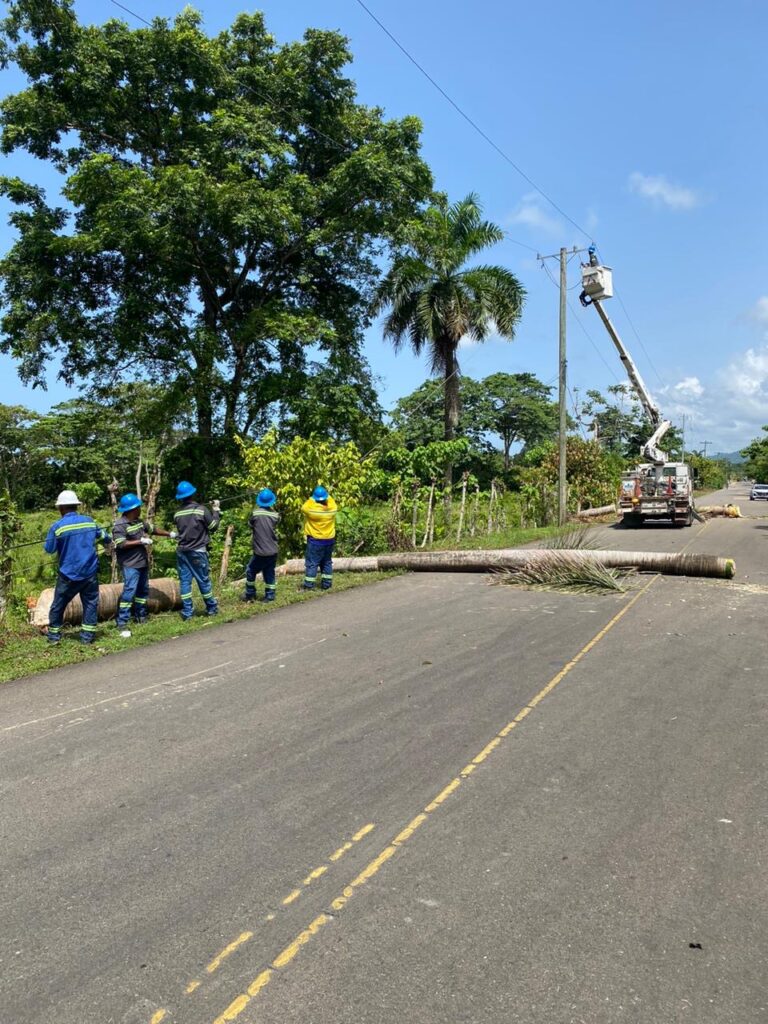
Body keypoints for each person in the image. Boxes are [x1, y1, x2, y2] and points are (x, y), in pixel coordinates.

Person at [43, 489, 112, 645]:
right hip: (90, 573)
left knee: (58, 605)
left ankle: (54, 637)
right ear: (76, 506)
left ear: (60, 508)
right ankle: (87, 637)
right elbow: (105, 537)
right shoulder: (89, 521)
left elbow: (49, 549)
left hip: (68, 575)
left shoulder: (57, 527)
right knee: (90, 604)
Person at [112, 492, 176, 634]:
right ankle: (122, 621)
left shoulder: (138, 522)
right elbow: (121, 544)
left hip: (142, 562)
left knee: (142, 591)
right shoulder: (120, 525)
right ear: (131, 509)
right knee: (129, 592)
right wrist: (140, 541)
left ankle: (140, 616)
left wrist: (170, 534)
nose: (140, 509)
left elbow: (153, 530)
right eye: (138, 507)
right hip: (130, 564)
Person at [173, 480, 220, 620]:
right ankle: (211, 608)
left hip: (182, 551)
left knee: (185, 582)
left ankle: (187, 613)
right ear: (193, 493)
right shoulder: (201, 509)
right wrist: (216, 510)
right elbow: (213, 527)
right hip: (197, 551)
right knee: (203, 580)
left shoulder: (176, 514)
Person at [243, 489, 279, 603]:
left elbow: (250, 524)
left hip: (260, 551)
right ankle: (270, 596)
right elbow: (275, 523)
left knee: (250, 570)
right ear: (271, 502)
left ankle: (250, 593)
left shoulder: (255, 513)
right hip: (273, 550)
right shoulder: (276, 515)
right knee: (269, 572)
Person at [301, 485, 337, 591]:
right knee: (327, 562)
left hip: (315, 541)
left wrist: (312, 498)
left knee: (312, 564)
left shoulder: (312, 511)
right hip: (329, 540)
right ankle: (327, 584)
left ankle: (308, 586)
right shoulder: (332, 509)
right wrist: (326, 495)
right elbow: (331, 500)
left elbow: (304, 506)